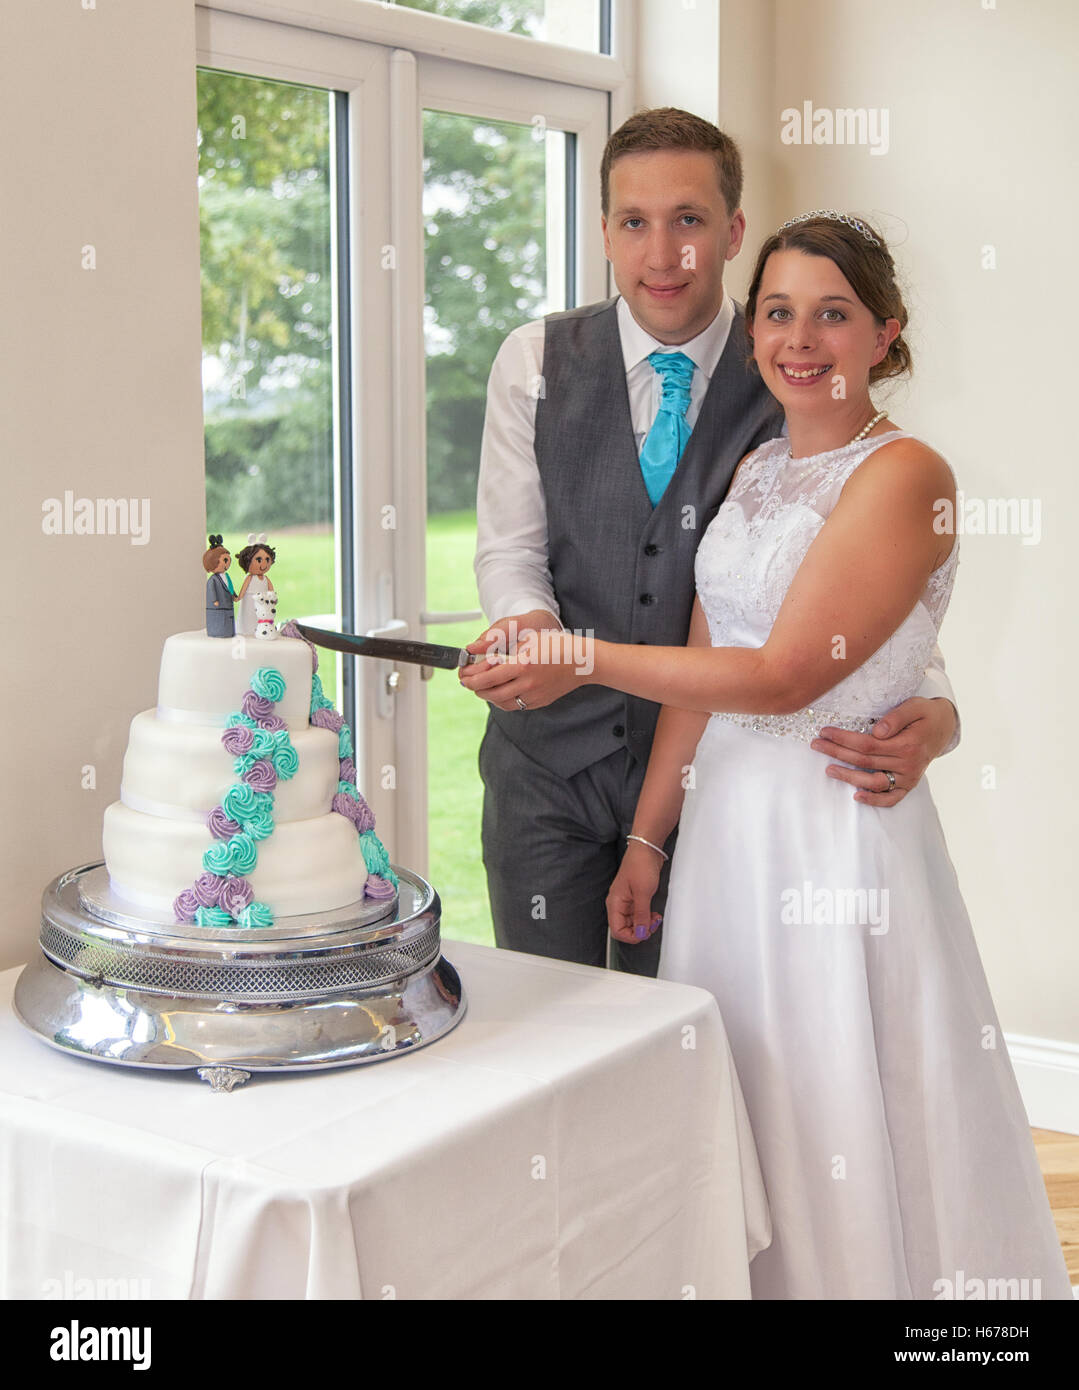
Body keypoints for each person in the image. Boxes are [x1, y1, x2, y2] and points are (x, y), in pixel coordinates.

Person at [461, 211, 1073, 1300]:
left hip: (831, 833)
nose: (800, 338)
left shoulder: (904, 473)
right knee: (746, 1094)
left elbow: (785, 675)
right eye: (779, 313)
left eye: (831, 314)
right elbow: (710, 655)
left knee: (837, 1091)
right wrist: (649, 838)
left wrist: (586, 656)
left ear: (883, 332)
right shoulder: (753, 472)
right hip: (727, 842)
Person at [468, 108, 958, 977]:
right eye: (634, 222)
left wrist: (936, 706)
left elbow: (862, 589)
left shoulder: (792, 373)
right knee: (550, 1025)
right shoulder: (531, 360)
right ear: (606, 233)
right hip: (547, 765)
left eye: (689, 220)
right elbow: (511, 550)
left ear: (731, 231)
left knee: (703, 1040)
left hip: (718, 780)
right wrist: (531, 635)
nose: (664, 254)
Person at [236, 535, 276, 638]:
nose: (264, 564)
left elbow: (271, 589)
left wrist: (272, 598)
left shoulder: (266, 579)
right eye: (259, 560)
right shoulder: (249, 578)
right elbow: (244, 589)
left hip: (263, 601)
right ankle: (247, 629)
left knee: (262, 617)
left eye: (267, 559)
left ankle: (261, 630)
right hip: (250, 600)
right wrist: (239, 597)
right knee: (249, 615)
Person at [203, 534, 237, 638]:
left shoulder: (226, 576)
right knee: (219, 623)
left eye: (228, 560)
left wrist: (234, 595)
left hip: (227, 606)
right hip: (217, 608)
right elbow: (211, 589)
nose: (228, 563)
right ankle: (219, 633)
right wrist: (214, 600)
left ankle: (228, 632)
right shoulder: (212, 580)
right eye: (225, 560)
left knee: (228, 621)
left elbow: (230, 587)